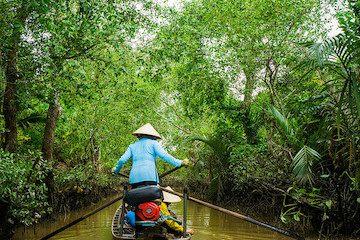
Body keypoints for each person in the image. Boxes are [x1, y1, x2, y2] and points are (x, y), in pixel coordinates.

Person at [112, 123, 189, 188]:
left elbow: (122, 160)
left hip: (134, 180)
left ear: (139, 136)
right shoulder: (153, 143)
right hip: (150, 179)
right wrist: (179, 162)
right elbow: (164, 155)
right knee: (154, 199)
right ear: (153, 137)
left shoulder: (132, 146)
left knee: (135, 201)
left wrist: (116, 170)